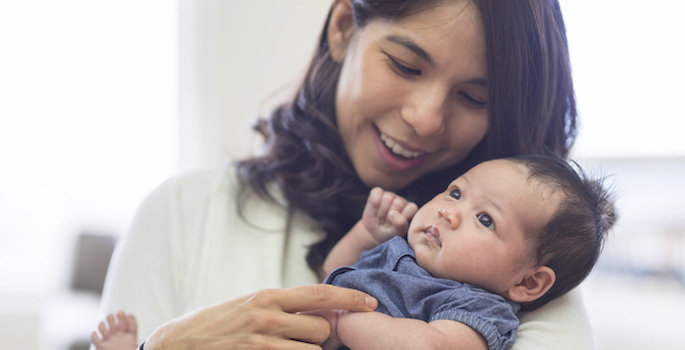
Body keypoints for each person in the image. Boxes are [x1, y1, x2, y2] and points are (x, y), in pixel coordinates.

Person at [93, 0, 590, 349]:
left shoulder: (518, 274)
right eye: (404, 65)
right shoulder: (181, 210)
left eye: (474, 98)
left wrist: (345, 324)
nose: (425, 117)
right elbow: (336, 273)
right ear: (342, 30)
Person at [315, 155, 616, 350]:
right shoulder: (400, 247)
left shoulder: (476, 307)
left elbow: (430, 346)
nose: (449, 212)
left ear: (528, 283)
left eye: (485, 219)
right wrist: (365, 235)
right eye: (456, 193)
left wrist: (342, 323)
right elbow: (328, 274)